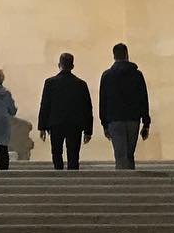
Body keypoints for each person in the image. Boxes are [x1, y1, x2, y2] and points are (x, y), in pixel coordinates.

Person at [37, 52, 93, 170]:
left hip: (56, 123)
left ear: (59, 64)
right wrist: (88, 130)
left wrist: (42, 126)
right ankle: (73, 181)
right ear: (72, 66)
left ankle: (58, 175)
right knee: (73, 155)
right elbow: (87, 108)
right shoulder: (81, 84)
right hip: (75, 124)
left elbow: (45, 105)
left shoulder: (50, 83)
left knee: (56, 153)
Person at [99, 42, 151, 170]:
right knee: (129, 154)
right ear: (127, 55)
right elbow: (143, 99)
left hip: (114, 119)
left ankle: (123, 183)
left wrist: (104, 124)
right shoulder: (137, 75)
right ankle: (131, 182)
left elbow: (103, 101)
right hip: (133, 118)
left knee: (120, 154)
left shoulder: (107, 76)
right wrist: (146, 123)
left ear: (114, 56)